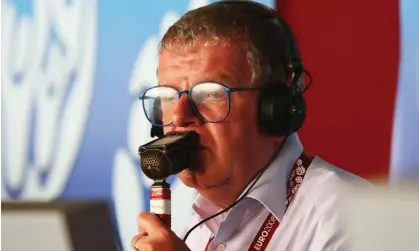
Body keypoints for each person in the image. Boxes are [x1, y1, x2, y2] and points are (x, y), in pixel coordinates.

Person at [132, 1, 370, 250]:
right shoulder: (199, 226)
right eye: (168, 97)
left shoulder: (350, 218)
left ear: (275, 110)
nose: (179, 116)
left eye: (211, 94)